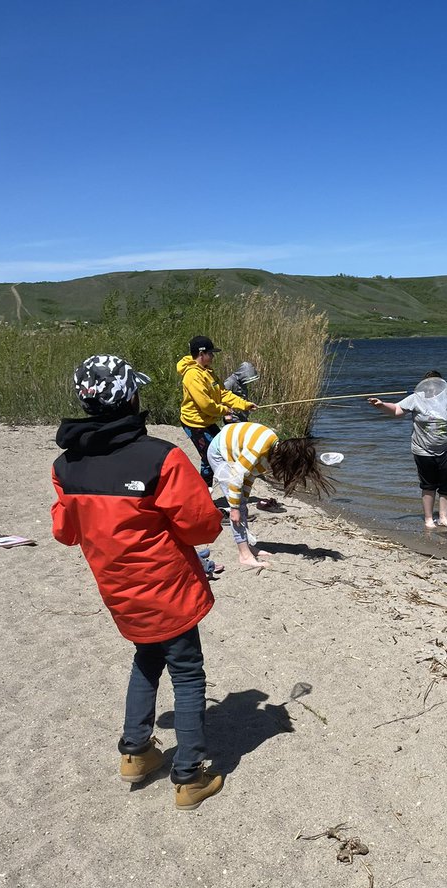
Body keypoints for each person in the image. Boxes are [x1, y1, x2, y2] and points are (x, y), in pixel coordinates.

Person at [51, 354, 225, 810]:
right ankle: (189, 777)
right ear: (130, 396)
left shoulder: (67, 465)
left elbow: (65, 532)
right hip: (168, 590)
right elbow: (201, 527)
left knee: (147, 658)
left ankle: (136, 752)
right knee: (187, 673)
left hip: (120, 592)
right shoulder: (159, 456)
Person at [207, 422, 333, 570]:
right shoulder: (259, 449)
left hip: (233, 454)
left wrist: (244, 499)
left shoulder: (270, 451)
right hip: (219, 453)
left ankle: (247, 546)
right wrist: (234, 507)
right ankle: (244, 555)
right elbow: (236, 475)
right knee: (238, 509)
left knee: (242, 506)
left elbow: (249, 476)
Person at [368, 371, 447, 528]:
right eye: (429, 385)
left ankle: (443, 517)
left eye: (435, 385)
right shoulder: (416, 399)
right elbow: (396, 410)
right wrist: (381, 405)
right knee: (428, 485)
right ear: (424, 386)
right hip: (422, 450)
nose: (432, 388)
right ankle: (428, 519)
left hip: (445, 449)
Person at [178, 336, 255, 484]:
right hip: (194, 423)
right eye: (211, 353)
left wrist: (244, 404)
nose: (213, 356)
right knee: (209, 455)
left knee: (220, 449)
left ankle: (210, 487)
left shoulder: (208, 371)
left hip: (207, 421)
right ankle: (204, 491)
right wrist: (224, 410)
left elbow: (223, 393)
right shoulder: (192, 375)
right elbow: (205, 405)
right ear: (201, 354)